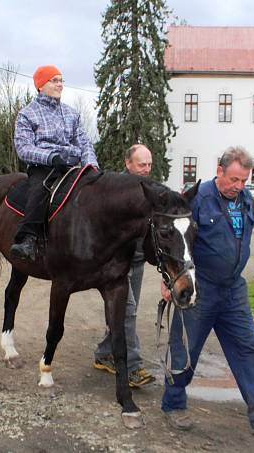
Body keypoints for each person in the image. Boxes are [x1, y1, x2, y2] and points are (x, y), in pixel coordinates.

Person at [161, 146, 254, 435]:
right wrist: (170, 280)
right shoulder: (197, 198)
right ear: (219, 171)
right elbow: (175, 241)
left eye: (244, 181)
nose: (239, 186)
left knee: (249, 347)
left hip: (234, 289)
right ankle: (174, 405)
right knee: (184, 347)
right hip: (201, 288)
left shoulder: (245, 199)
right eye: (234, 179)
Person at [10, 64, 98, 262]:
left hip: (72, 165)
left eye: (61, 80)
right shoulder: (27, 114)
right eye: (54, 80)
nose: (60, 85)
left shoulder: (71, 113)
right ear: (41, 85)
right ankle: (28, 239)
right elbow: (24, 148)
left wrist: (91, 166)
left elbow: (84, 143)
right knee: (40, 189)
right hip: (45, 167)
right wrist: (51, 158)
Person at [93, 144, 156, 388]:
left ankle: (104, 353)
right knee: (127, 312)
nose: (147, 169)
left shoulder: (148, 189)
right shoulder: (114, 190)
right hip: (116, 264)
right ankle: (133, 368)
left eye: (149, 164)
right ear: (128, 163)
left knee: (124, 314)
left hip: (137, 262)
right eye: (142, 164)